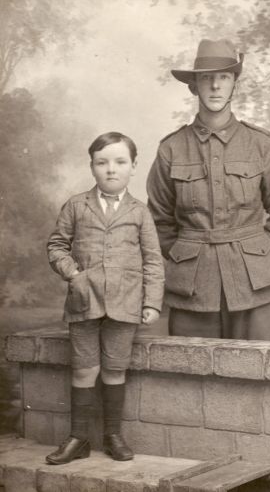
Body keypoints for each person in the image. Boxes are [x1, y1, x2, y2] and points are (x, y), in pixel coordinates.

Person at [146, 38, 270, 341]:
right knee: (193, 378)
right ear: (194, 86)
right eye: (207, 78)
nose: (215, 86)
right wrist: (187, 258)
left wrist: (256, 255)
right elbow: (158, 222)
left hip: (256, 288)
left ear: (234, 84)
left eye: (224, 77)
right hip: (193, 290)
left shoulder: (261, 145)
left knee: (259, 377)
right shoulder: (171, 149)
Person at [46, 132, 164, 464]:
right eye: (102, 162)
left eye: (120, 162)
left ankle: (113, 436)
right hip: (84, 301)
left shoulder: (140, 212)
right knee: (84, 371)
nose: (111, 169)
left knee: (114, 370)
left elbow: (153, 260)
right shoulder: (75, 205)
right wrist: (73, 274)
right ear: (92, 167)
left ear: (133, 166)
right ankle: (78, 439)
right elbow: (56, 246)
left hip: (126, 305)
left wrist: (152, 302)